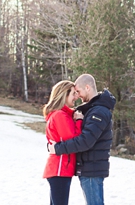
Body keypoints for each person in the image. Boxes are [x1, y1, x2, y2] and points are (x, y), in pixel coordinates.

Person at [47, 74, 116, 205]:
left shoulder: (98, 112)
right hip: (88, 167)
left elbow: (85, 141)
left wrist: (57, 148)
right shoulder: (91, 109)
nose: (78, 96)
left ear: (88, 87)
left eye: (78, 91)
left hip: (92, 169)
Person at [43, 80, 82, 205]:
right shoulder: (60, 115)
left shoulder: (62, 114)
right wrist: (79, 121)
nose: (76, 97)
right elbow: (73, 140)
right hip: (59, 169)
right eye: (73, 94)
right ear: (64, 96)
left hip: (61, 169)